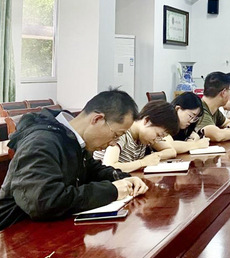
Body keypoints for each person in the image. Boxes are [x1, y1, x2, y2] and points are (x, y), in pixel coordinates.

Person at [0, 89, 148, 230]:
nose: (113, 143)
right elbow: (45, 201)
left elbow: (93, 170)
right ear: (97, 119)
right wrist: (112, 191)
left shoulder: (75, 140)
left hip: (47, 228)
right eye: (116, 135)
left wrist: (123, 179)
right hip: (14, 231)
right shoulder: (42, 142)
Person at [94, 100, 180, 173]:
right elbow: (109, 166)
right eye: (158, 135)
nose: (157, 140)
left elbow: (171, 151)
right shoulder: (122, 133)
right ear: (147, 121)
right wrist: (143, 163)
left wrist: (155, 156)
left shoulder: (144, 137)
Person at [196, 71, 230, 141]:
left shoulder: (214, 109)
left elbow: (228, 123)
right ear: (223, 92)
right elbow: (217, 136)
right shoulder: (199, 110)